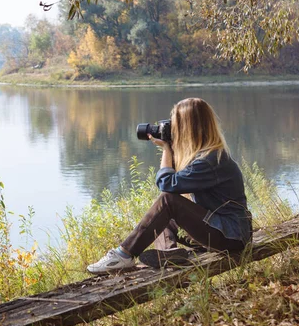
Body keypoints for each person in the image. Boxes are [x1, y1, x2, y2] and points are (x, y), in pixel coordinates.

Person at [87, 98, 252, 274]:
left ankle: (123, 255)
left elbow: (168, 185)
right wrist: (173, 149)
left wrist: (167, 149)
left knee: (168, 202)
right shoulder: (206, 155)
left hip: (231, 237)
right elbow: (176, 183)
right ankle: (169, 253)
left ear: (188, 127)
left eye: (176, 124)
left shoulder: (210, 160)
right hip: (226, 231)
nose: (172, 129)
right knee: (163, 214)